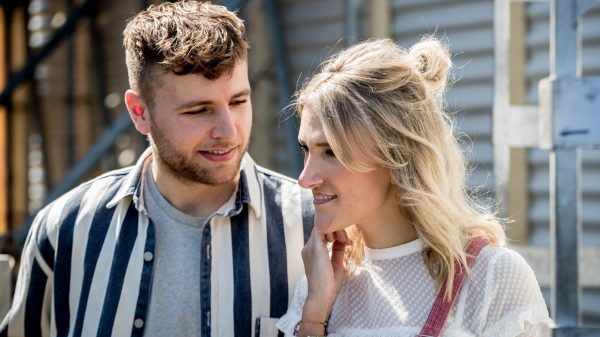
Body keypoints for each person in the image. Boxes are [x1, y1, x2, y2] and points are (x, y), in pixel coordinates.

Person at [0, 1, 313, 336]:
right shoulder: (64, 230)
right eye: (198, 110)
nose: (228, 130)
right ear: (139, 112)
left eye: (238, 101)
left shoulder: (312, 226)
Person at [276, 38, 553, 337]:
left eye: (330, 152)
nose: (304, 179)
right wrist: (316, 311)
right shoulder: (320, 282)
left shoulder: (492, 277)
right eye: (306, 148)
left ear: (396, 155)